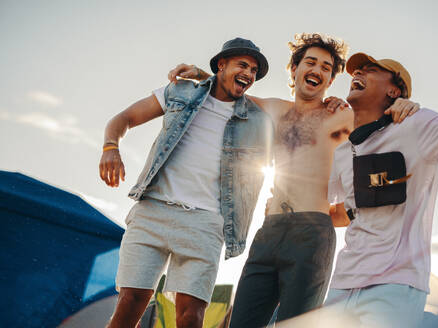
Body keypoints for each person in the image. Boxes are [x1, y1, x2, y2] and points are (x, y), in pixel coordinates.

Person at [168, 34, 419, 327]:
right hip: (268, 232)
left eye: (326, 68)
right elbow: (235, 94)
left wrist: (405, 106)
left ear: (330, 80)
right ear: (295, 70)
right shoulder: (275, 110)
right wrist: (200, 74)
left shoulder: (341, 116)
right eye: (310, 62)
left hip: (312, 234)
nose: (318, 70)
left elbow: (386, 122)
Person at [98, 37, 274, 328]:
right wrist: (110, 147)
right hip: (154, 211)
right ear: (222, 64)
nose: (249, 74)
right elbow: (125, 118)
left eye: (254, 70)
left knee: (191, 316)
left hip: (206, 223)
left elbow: (299, 113)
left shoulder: (257, 120)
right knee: (130, 303)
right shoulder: (180, 92)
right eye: (243, 65)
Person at [324, 52, 438, 327]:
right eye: (357, 71)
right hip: (341, 283)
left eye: (370, 70)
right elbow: (341, 212)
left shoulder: (416, 125)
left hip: (395, 284)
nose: (357, 74)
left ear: (394, 90)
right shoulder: (344, 151)